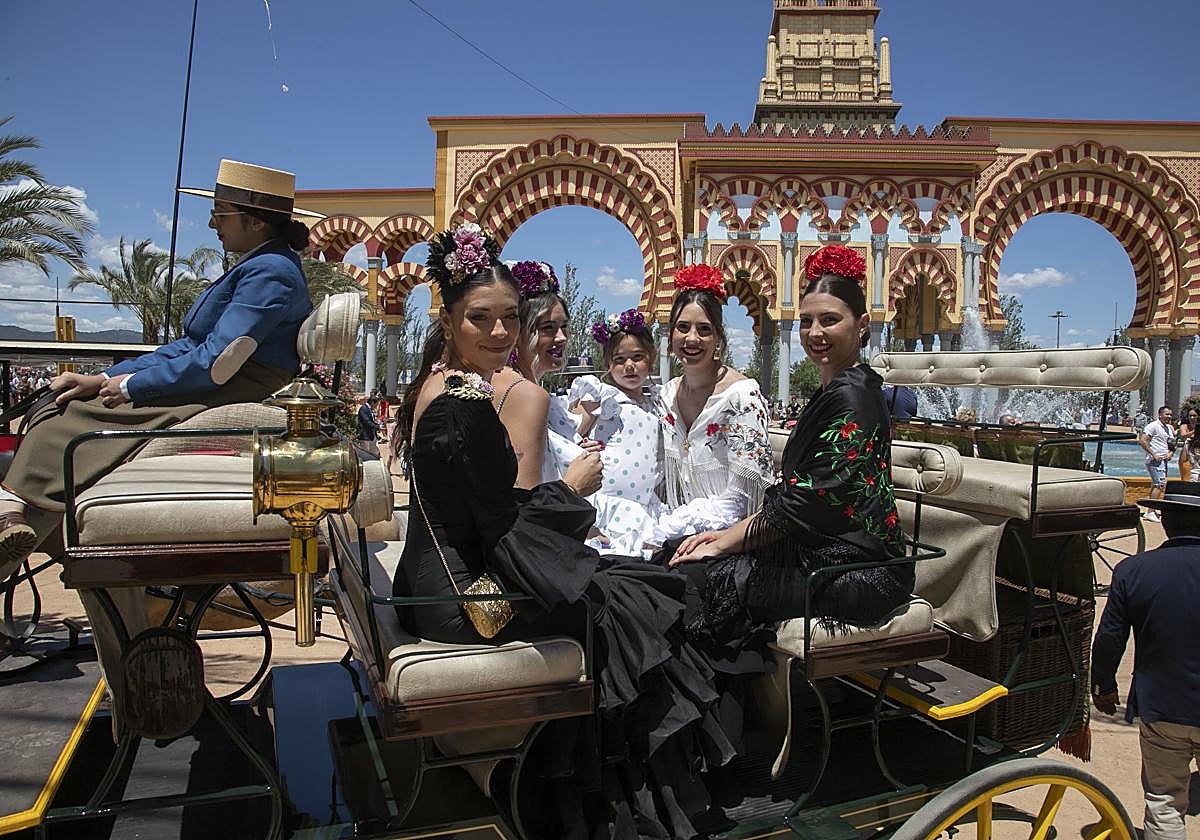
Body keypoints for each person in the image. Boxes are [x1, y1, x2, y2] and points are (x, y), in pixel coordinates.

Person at [391, 225, 735, 838]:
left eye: (506, 318)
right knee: (634, 611)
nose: (499, 333)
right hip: (461, 597)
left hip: (440, 578)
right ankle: (585, 799)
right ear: (447, 321)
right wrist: (574, 487)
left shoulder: (443, 384)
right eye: (480, 319)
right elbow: (508, 518)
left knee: (627, 583)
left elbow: (490, 513)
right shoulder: (462, 400)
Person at [0, 159, 316, 571]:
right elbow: (190, 346)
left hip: (230, 385)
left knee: (73, 416)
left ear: (256, 223)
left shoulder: (271, 271)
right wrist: (104, 377)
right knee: (64, 402)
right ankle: (18, 514)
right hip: (215, 376)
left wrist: (132, 388)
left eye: (220, 215)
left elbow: (216, 363)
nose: (211, 225)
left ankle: (12, 512)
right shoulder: (260, 265)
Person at [667, 244, 910, 661]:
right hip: (825, 550)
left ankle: (727, 708)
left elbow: (806, 503)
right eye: (807, 321)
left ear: (862, 325)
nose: (815, 333)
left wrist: (722, 544)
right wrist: (720, 538)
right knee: (694, 566)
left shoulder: (852, 396)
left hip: (860, 569)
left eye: (830, 320)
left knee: (706, 579)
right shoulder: (838, 389)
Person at [1092, 480, 1200, 840]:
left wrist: (1103, 687)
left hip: (1162, 705)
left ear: (1165, 520)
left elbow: (1109, 638)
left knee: (1164, 804)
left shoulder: (1133, 570)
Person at [652, 262, 773, 547]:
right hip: (676, 529)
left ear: (718, 338)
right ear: (671, 336)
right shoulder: (667, 396)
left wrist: (672, 529)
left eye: (704, 329)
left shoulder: (742, 397)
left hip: (727, 539)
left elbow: (740, 502)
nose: (692, 338)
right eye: (683, 327)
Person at [490, 260, 597, 487]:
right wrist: (575, 484)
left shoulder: (521, 385)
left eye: (564, 327)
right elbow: (527, 498)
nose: (561, 338)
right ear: (518, 331)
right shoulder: (520, 392)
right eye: (548, 328)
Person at [570, 309, 664, 554]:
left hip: (643, 506)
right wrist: (581, 444)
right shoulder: (599, 396)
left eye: (637, 357)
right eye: (620, 359)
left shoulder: (657, 403)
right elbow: (568, 435)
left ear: (651, 358)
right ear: (607, 364)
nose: (629, 366)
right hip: (606, 505)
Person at [1140, 405, 1176, 520]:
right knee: (1159, 485)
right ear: (1160, 414)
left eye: (1170, 414)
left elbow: (1172, 443)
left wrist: (1170, 453)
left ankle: (1150, 509)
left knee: (1157, 484)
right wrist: (1153, 454)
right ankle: (1151, 511)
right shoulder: (1153, 426)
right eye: (1167, 414)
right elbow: (1143, 440)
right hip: (1155, 461)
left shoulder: (1169, 428)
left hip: (1163, 461)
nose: (1169, 416)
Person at [1176, 406, 1198, 481]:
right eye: (1190, 416)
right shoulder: (1184, 426)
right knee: (1184, 465)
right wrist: (1195, 431)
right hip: (1187, 448)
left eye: (1194, 416)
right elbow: (1183, 436)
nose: (1192, 418)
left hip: (1197, 450)